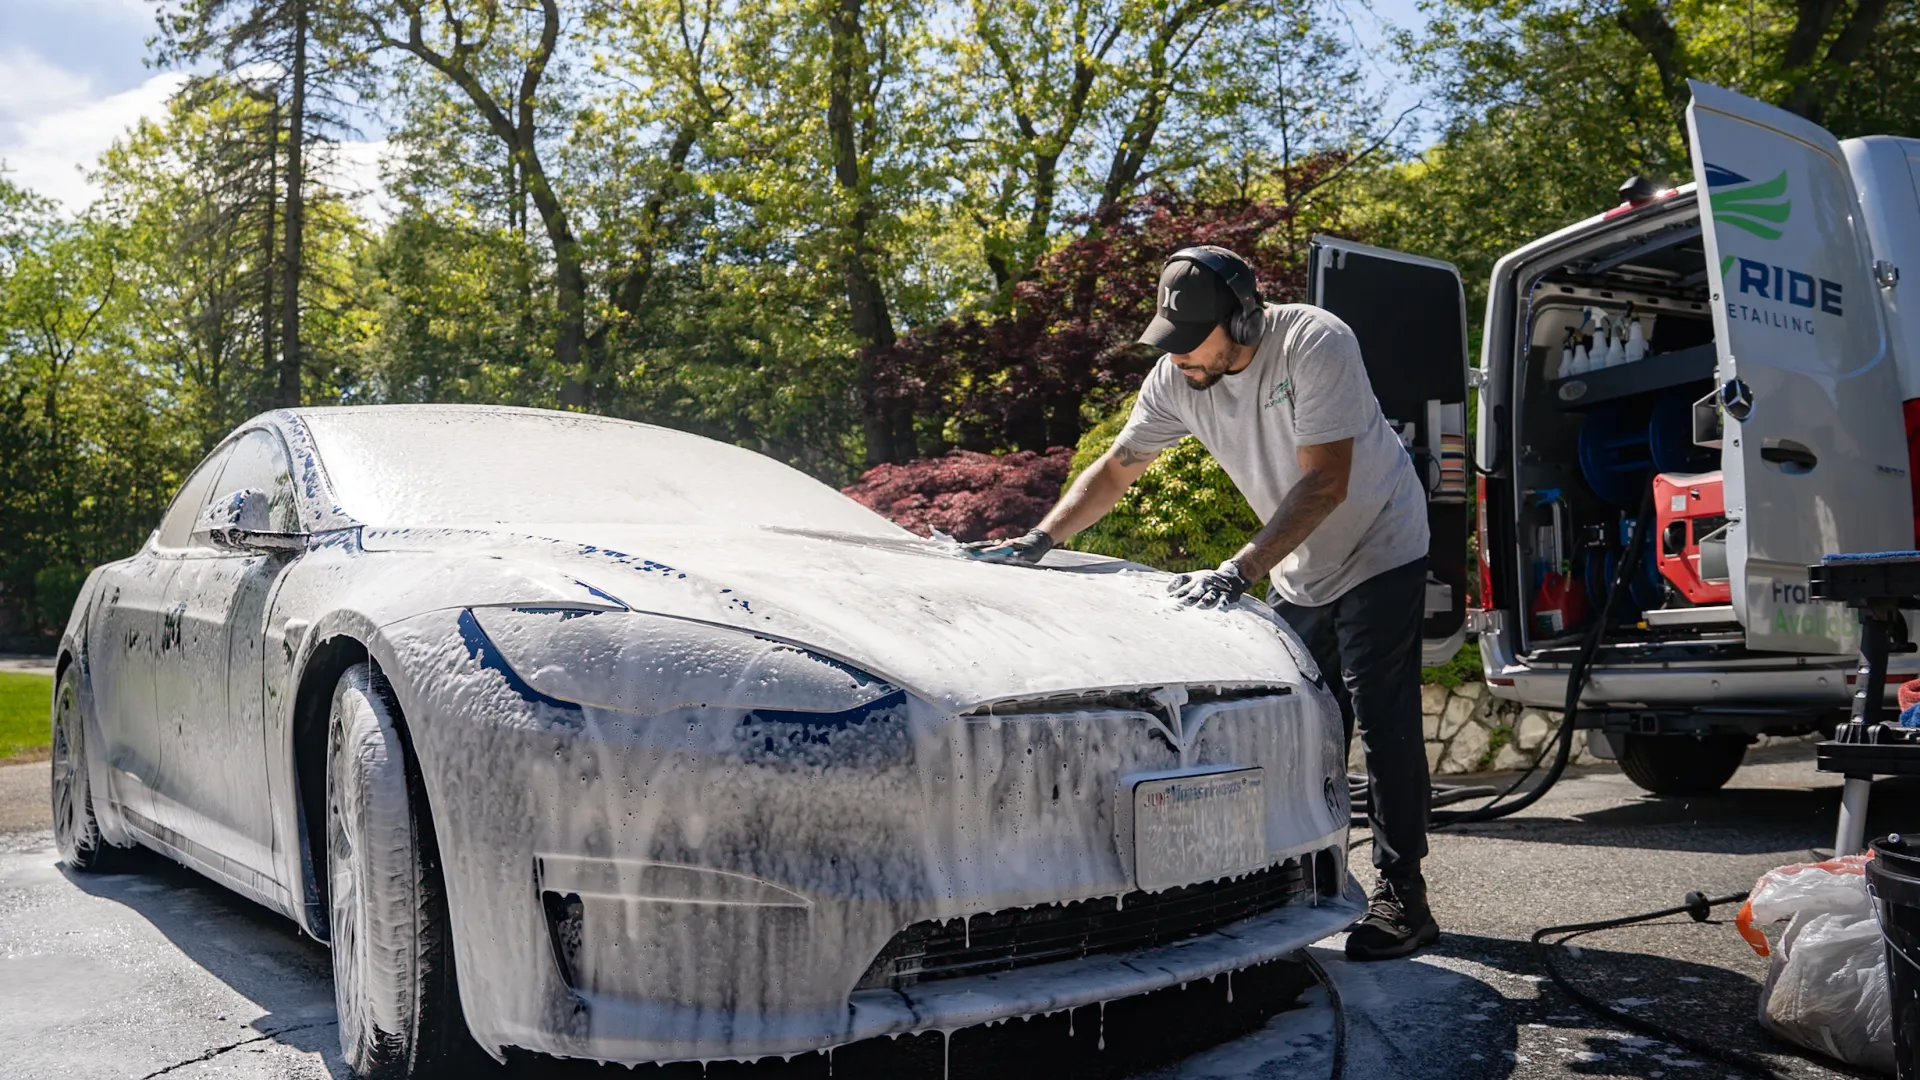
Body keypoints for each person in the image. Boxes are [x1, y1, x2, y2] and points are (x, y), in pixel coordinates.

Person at [967, 245, 1438, 960]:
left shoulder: (1314, 341)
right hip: (1299, 566)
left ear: (1245, 320)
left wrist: (1239, 568)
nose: (1181, 358)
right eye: (1171, 343)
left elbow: (1328, 483)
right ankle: (1296, 879)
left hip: (1380, 542)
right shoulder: (1176, 378)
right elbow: (1120, 467)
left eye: (1194, 343)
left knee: (1380, 715)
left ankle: (1405, 896)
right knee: (1296, 726)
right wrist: (1040, 537)